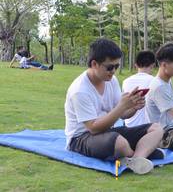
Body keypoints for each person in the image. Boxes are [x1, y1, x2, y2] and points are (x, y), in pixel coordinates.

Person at [65, 38, 164, 175]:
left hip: (107, 132)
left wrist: (133, 107)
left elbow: (123, 114)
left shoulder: (111, 80)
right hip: (81, 138)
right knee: (118, 142)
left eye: (116, 67)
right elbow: (93, 128)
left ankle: (135, 159)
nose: (113, 71)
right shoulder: (80, 90)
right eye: (110, 67)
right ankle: (140, 153)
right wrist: (121, 107)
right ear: (94, 64)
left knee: (156, 128)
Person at [122, 51, 155, 127]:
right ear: (153, 65)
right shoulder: (154, 81)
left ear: (135, 65)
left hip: (128, 126)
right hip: (148, 127)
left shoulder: (125, 81)